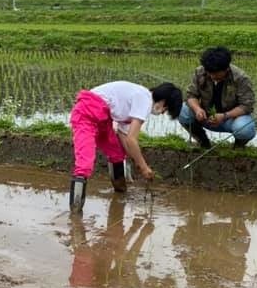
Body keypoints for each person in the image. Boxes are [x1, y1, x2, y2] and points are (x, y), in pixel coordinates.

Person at [69, 80, 182, 213]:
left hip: (103, 118)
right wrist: (144, 167)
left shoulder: (139, 99)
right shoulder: (145, 99)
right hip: (86, 112)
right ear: (163, 101)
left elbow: (125, 137)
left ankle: (120, 191)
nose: (163, 112)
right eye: (166, 109)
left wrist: (138, 164)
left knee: (116, 153)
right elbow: (131, 140)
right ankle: (75, 212)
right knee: (85, 163)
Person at [179, 47, 256, 149]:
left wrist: (224, 116)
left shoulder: (240, 78)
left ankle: (238, 147)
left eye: (216, 74)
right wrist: (197, 109)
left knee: (244, 129)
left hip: (230, 119)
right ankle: (203, 142)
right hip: (205, 116)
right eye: (209, 73)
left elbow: (246, 106)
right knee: (182, 111)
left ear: (227, 68)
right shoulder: (200, 72)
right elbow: (191, 95)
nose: (212, 76)